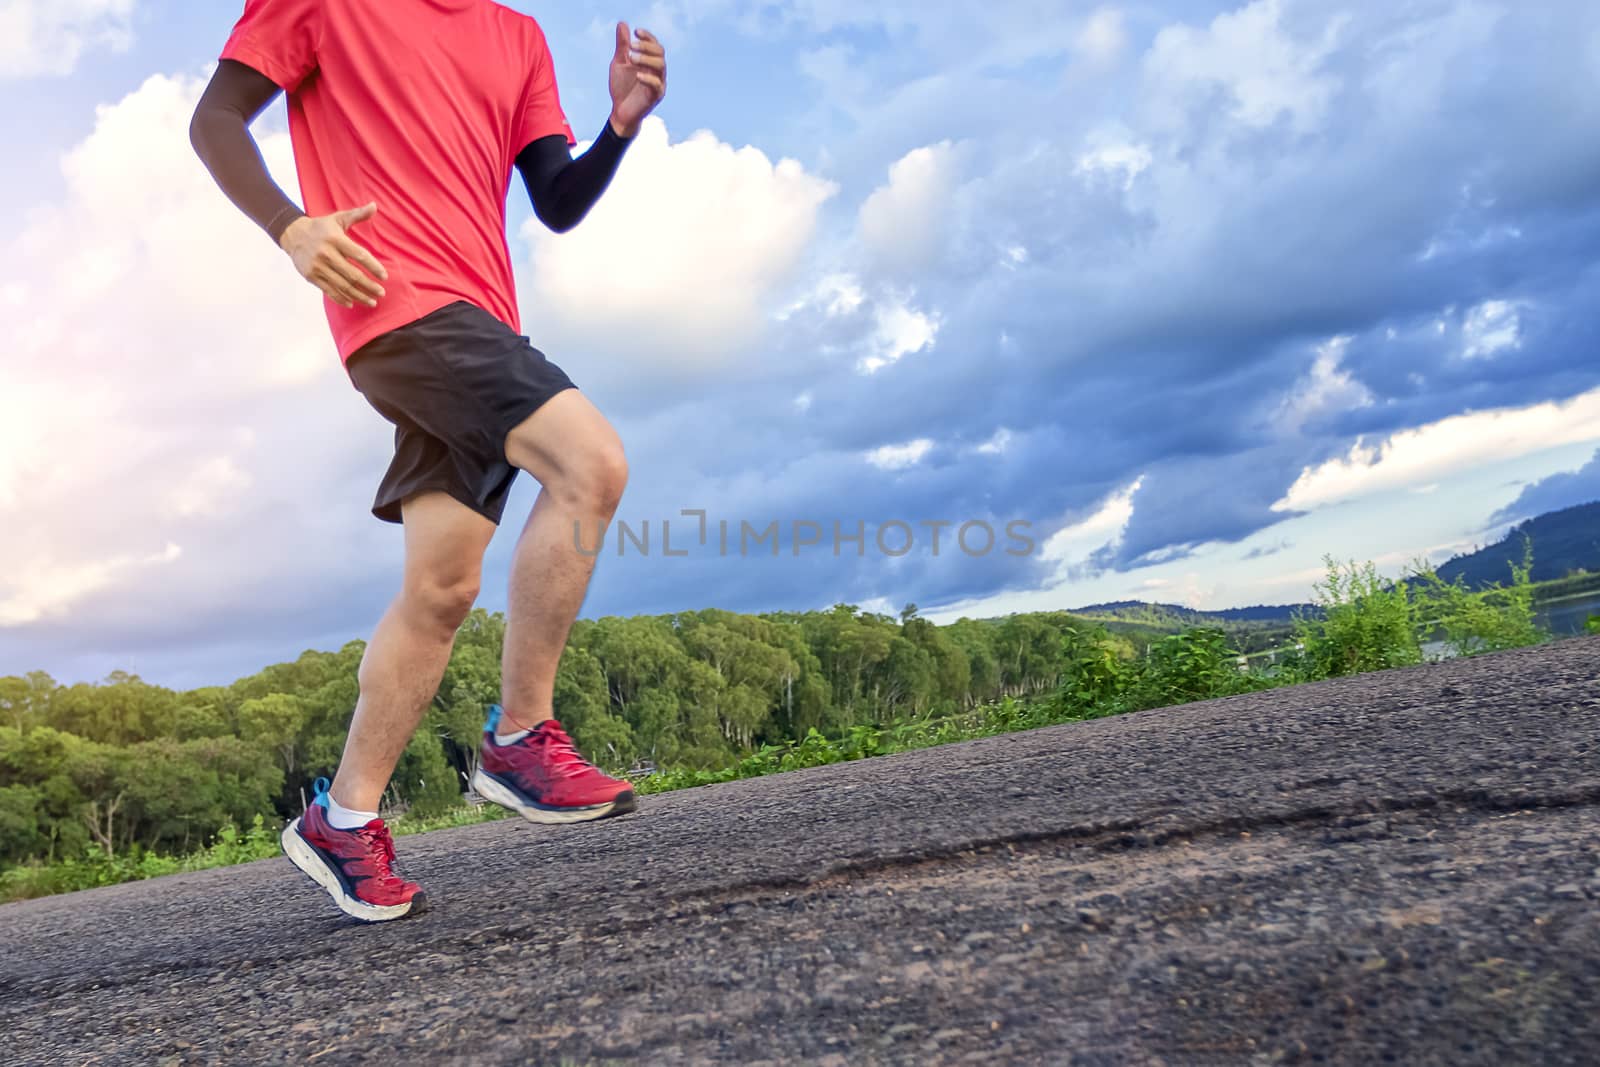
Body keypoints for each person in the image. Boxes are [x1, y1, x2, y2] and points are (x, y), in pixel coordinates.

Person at [190, 0, 667, 923]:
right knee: (591, 463)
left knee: (441, 591)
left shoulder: (518, 37)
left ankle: (344, 815)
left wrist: (618, 127)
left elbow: (557, 201)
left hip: (480, 319)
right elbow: (214, 120)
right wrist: (292, 228)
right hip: (398, 306)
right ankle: (523, 735)